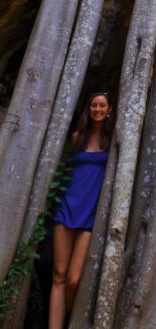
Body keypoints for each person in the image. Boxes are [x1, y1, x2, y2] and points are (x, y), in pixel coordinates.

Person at [49, 92, 112, 329]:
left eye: (102, 106)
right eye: (93, 105)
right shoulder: (77, 138)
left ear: (109, 110)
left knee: (75, 280)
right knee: (59, 274)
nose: (97, 109)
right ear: (88, 109)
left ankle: (73, 321)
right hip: (67, 207)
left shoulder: (112, 140)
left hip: (91, 213)